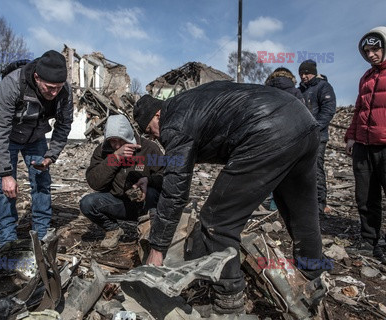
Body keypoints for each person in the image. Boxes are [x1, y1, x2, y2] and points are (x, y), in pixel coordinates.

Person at [134, 81, 323, 315]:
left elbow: (175, 192)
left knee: (216, 222)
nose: (151, 135)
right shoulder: (191, 102)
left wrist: (157, 249)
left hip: (267, 130)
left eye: (148, 129)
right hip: (304, 122)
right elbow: (177, 168)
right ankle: (312, 280)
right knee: (301, 213)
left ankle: (228, 302)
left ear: (157, 114)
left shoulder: (173, 122)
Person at [0, 50, 73, 246]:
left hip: (36, 138)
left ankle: (41, 233)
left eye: (58, 88)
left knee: (42, 182)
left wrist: (51, 156)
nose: (54, 93)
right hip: (8, 137)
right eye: (50, 88)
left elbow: (64, 125)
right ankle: (7, 238)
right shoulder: (11, 85)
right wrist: (6, 173)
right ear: (37, 77)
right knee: (5, 189)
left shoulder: (64, 92)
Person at [80, 114, 164, 248]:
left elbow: (164, 175)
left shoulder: (148, 149)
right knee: (87, 203)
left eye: (121, 140)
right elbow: (95, 183)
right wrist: (115, 158)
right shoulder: (103, 151)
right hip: (118, 203)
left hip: (147, 205)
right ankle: (113, 230)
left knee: (153, 193)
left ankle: (150, 234)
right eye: (113, 141)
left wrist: (148, 180)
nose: (117, 145)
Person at [345, 26, 386, 263]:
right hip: (363, 145)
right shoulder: (366, 77)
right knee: (366, 197)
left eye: (375, 49)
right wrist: (351, 136)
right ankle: (368, 242)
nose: (371, 55)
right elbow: (359, 109)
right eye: (367, 51)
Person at [299, 59, 336, 215]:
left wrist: (313, 128)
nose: (303, 76)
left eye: (306, 73)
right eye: (301, 73)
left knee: (316, 168)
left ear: (313, 73)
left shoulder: (323, 87)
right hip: (301, 136)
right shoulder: (300, 90)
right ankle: (302, 201)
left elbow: (328, 110)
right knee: (301, 168)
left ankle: (320, 203)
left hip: (318, 136)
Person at [264, 67, 305, 211]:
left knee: (270, 170)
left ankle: (272, 204)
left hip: (269, 136)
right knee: (288, 171)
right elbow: (303, 113)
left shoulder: (266, 91)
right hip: (290, 135)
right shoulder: (295, 91)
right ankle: (286, 205)